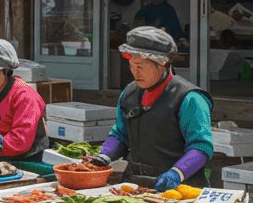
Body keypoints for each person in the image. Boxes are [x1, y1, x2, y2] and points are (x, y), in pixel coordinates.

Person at [85, 26, 214, 191]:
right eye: (131, 66)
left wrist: (177, 173)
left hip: (182, 189)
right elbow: (120, 134)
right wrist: (103, 157)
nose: (134, 72)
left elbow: (201, 146)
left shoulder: (191, 98)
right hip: (135, 185)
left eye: (140, 66)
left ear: (161, 64)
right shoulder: (129, 93)